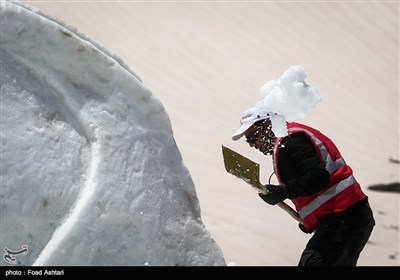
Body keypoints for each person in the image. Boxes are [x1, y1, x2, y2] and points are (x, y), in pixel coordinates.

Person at [231, 106, 375, 266]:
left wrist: (284, 191)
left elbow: (319, 177)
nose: (251, 145)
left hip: (343, 218)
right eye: (248, 141)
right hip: (346, 218)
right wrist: (309, 218)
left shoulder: (290, 142)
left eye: (252, 137)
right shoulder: (286, 141)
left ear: (266, 125)